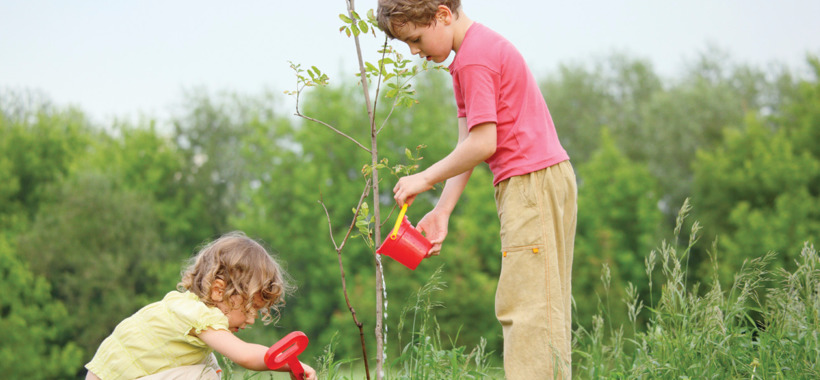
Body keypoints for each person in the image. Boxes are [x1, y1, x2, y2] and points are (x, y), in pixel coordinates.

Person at [377, 1, 577, 378]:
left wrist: (424, 178)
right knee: (544, 304)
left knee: (528, 308)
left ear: (443, 15)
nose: (415, 52)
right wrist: (443, 210)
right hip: (542, 179)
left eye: (416, 39)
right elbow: (467, 144)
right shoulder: (474, 53)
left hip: (529, 184)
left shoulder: (473, 60)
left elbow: (484, 143)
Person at [84, 231, 317, 380]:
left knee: (207, 363)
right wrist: (288, 364)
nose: (251, 319)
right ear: (218, 291)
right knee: (203, 375)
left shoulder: (183, 304)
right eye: (250, 308)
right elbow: (245, 355)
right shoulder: (200, 316)